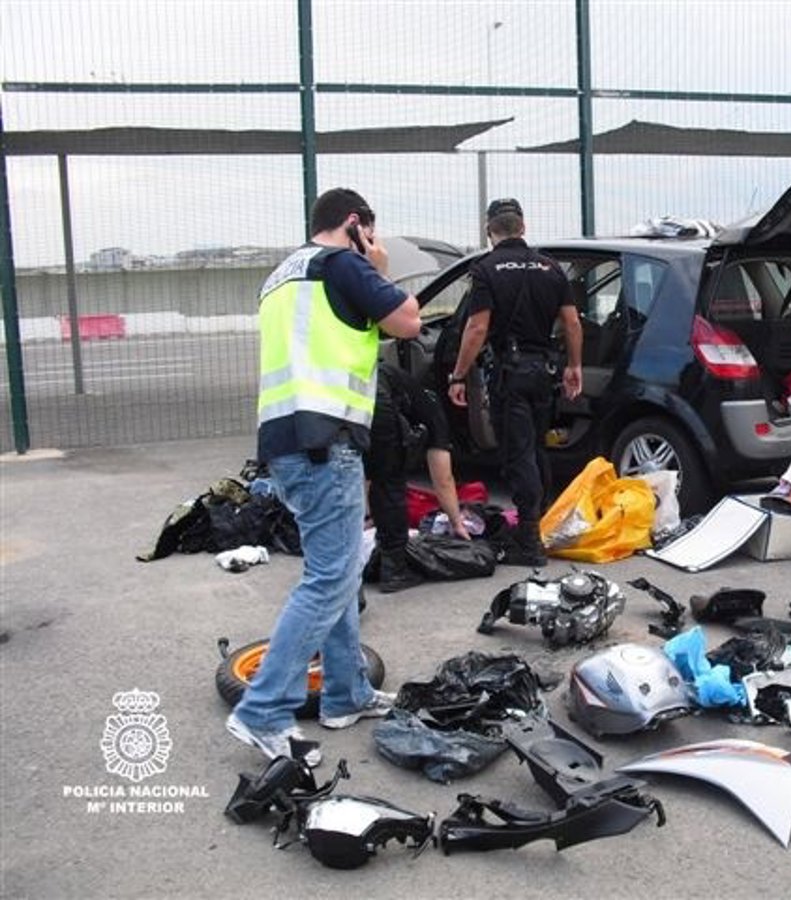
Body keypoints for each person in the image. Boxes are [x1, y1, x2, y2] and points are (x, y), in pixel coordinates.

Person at [226, 188, 420, 766]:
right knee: (330, 579)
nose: (373, 244)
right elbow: (408, 322)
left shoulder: (281, 276)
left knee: (334, 571)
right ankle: (263, 711)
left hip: (286, 441)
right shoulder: (342, 264)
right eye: (370, 233)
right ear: (354, 223)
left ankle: (345, 693)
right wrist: (378, 267)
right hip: (324, 440)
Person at [447, 198, 583, 566]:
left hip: (511, 373)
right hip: (544, 373)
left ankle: (529, 540)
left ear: (489, 230)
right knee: (536, 449)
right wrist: (574, 365)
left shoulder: (486, 269)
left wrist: (459, 374)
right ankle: (540, 524)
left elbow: (477, 328)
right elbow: (572, 323)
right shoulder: (551, 268)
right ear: (523, 227)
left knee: (518, 454)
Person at [365, 342, 470, 592]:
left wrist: (368, 516)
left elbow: (366, 471)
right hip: (378, 401)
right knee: (390, 480)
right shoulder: (434, 415)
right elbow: (443, 479)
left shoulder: (405, 388)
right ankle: (395, 571)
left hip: (346, 396)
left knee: (361, 467)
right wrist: (456, 522)